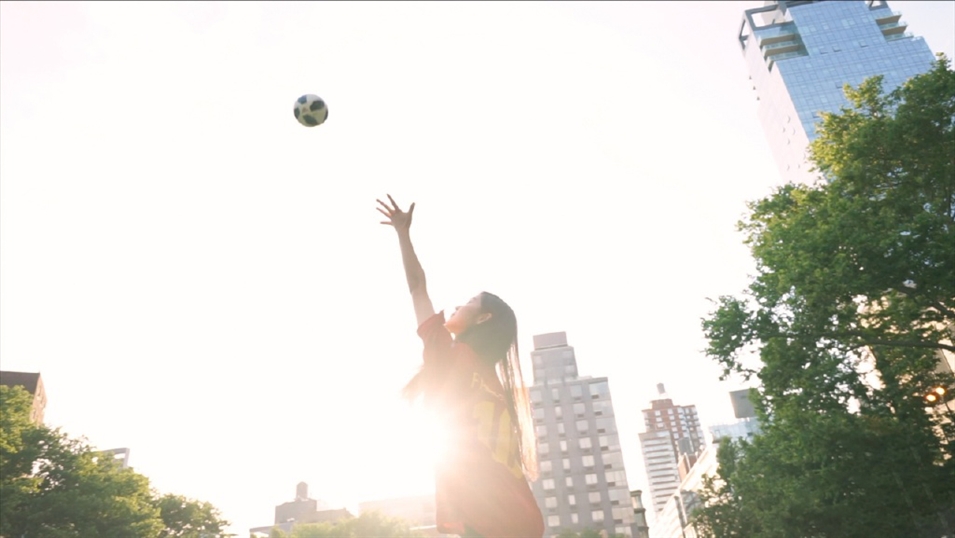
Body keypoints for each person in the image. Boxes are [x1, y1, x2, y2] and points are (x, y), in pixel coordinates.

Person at [377, 194, 545, 538]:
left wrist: (403, 234)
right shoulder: (494, 382)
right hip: (521, 518)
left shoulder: (450, 355)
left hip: (488, 523)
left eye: (468, 302)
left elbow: (417, 288)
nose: (456, 305)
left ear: (483, 318)